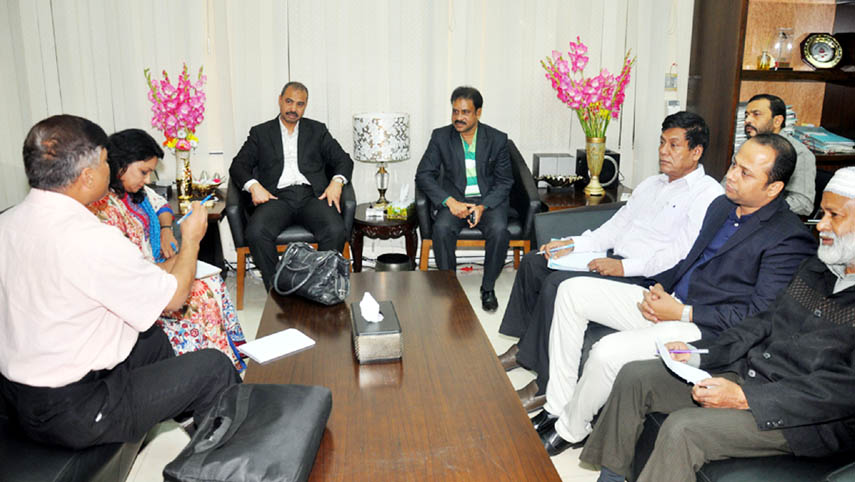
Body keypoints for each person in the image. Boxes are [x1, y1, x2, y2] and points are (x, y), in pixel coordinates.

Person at [534, 134, 816, 456]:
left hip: (705, 327)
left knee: (606, 352)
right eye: (734, 164)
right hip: (670, 302)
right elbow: (690, 260)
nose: (732, 175)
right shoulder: (722, 206)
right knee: (571, 290)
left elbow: (759, 315)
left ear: (773, 188)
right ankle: (557, 405)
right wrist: (658, 288)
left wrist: (682, 312)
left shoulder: (788, 239)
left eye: (745, 173)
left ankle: (571, 429)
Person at [582, 167, 855, 482]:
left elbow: (841, 390)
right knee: (636, 375)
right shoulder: (817, 267)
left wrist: (745, 398)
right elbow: (763, 322)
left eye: (834, 215)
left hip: (804, 419)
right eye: (823, 213)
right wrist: (698, 353)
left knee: (683, 429)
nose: (820, 224)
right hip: (752, 374)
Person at [0, 115, 240, 449]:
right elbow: (174, 300)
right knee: (214, 368)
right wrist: (191, 241)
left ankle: (188, 416)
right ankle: (219, 464)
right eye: (104, 162)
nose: (109, 168)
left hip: (16, 395)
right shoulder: (92, 239)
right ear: (86, 177)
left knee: (150, 340)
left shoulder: (8, 222)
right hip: (73, 409)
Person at [498, 112, 723, 409]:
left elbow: (679, 255)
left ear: (696, 152)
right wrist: (573, 244)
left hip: (642, 275)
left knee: (557, 284)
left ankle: (546, 383)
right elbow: (614, 229)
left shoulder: (707, 195)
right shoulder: (652, 184)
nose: (663, 151)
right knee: (534, 262)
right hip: (614, 258)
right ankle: (525, 348)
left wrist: (623, 267)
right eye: (661, 143)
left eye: (673, 145)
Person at [89, 128, 246, 370]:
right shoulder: (104, 209)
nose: (148, 180)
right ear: (121, 164)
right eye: (144, 172)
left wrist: (165, 229)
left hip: (153, 268)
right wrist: (189, 244)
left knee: (213, 281)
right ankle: (199, 368)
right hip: (137, 288)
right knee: (199, 295)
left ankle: (226, 360)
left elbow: (162, 206)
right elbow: (132, 276)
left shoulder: (138, 192)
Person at [230, 81, 354, 290]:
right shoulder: (261, 133)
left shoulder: (317, 130)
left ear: (305, 106)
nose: (293, 109)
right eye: (289, 102)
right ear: (280, 100)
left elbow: (343, 160)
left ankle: (316, 286)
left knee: (335, 229)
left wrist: (336, 181)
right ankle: (279, 288)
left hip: (312, 196)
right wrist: (253, 186)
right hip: (276, 198)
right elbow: (238, 166)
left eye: (299, 104)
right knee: (256, 232)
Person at [415, 86, 514, 312]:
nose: (458, 118)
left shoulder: (497, 139)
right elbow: (423, 174)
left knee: (500, 231)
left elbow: (504, 181)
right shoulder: (441, 137)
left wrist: (483, 206)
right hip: (455, 200)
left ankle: (487, 288)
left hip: (488, 201)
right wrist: (449, 202)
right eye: (455, 111)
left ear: (478, 113)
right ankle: (451, 288)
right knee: (441, 230)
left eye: (465, 112)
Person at [742, 93, 815, 215]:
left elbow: (803, 203)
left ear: (777, 121)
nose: (747, 121)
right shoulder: (745, 147)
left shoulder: (800, 154)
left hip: (772, 219)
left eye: (756, 114)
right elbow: (728, 185)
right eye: (747, 115)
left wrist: (758, 206)